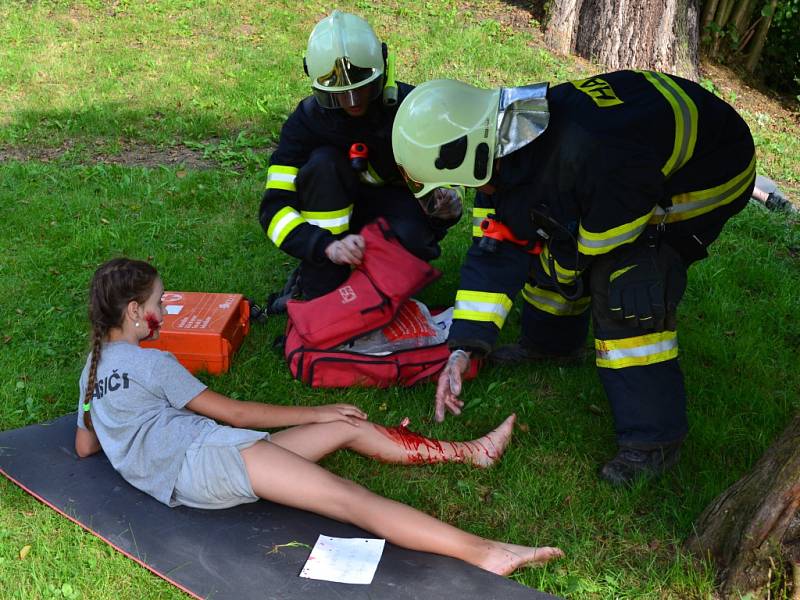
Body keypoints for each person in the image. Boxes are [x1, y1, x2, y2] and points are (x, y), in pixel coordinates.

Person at [74, 257, 563, 575]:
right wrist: (316, 407)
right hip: (210, 459)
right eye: (161, 303)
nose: (166, 312)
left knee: (343, 429)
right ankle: (485, 553)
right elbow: (235, 412)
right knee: (350, 501)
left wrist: (136, 440)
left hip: (196, 470)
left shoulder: (92, 372)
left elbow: (85, 445)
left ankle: (470, 453)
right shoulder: (153, 363)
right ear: (136, 312)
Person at [391, 71, 757, 486]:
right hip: (634, 158)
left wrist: (560, 263)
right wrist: (464, 348)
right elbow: (495, 250)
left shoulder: (593, 154)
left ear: (470, 150)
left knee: (626, 283)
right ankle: (551, 346)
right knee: (546, 232)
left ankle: (654, 441)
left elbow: (596, 248)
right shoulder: (504, 145)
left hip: (712, 170)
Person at [258, 10, 462, 307]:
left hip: (393, 209)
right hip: (332, 226)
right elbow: (273, 210)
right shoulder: (306, 123)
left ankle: (380, 276)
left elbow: (449, 180)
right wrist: (324, 246)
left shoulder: (413, 110)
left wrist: (446, 206)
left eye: (361, 88)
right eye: (340, 94)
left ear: (382, 66)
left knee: (413, 243)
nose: (353, 102)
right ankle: (320, 278)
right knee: (323, 164)